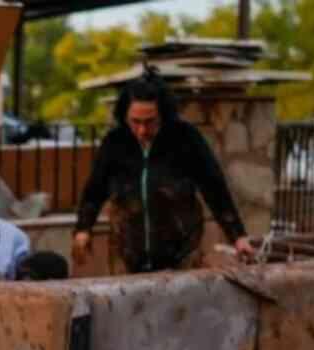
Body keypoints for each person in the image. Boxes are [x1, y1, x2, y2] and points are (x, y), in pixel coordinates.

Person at [71, 67, 253, 274]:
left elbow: (215, 187)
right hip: (128, 255)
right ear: (125, 116)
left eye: (150, 122)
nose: (142, 130)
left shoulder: (186, 138)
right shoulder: (115, 143)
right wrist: (83, 229)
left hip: (182, 255)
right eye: (135, 122)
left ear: (164, 115)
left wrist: (238, 236)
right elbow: (94, 190)